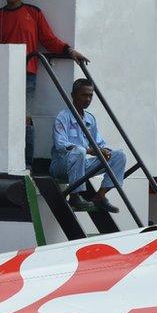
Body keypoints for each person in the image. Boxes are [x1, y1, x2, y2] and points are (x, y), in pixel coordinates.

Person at [0, 0, 89, 168]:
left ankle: (27, 163)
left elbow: (48, 39)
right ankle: (1, 159)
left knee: (24, 117)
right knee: (1, 116)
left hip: (27, 73)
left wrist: (69, 51)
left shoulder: (33, 13)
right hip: (1, 75)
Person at [50, 79, 126, 213]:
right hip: (62, 165)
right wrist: (90, 150)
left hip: (82, 165)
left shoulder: (90, 119)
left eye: (90, 95)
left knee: (119, 156)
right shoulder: (62, 117)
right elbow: (61, 145)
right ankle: (74, 197)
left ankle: (100, 196)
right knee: (79, 151)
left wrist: (104, 150)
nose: (88, 99)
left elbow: (99, 143)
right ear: (73, 95)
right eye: (84, 95)